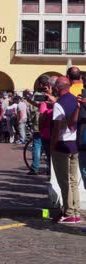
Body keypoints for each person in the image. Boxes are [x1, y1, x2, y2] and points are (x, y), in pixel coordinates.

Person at [51, 76, 81, 224]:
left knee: (64, 181)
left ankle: (68, 212)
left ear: (57, 88)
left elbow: (56, 129)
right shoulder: (75, 99)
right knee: (73, 180)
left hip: (62, 145)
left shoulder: (59, 104)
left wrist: (52, 146)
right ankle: (75, 211)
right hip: (74, 144)